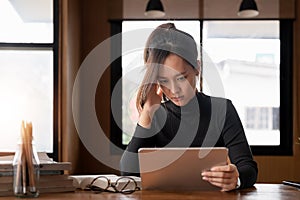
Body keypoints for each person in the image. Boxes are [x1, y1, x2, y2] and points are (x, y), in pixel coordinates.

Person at [120, 23, 257, 191]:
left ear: (197, 68)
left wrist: (236, 177)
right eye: (164, 81)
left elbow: (248, 168)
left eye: (181, 78)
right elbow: (127, 174)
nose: (174, 90)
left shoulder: (222, 109)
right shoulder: (155, 115)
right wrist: (147, 111)